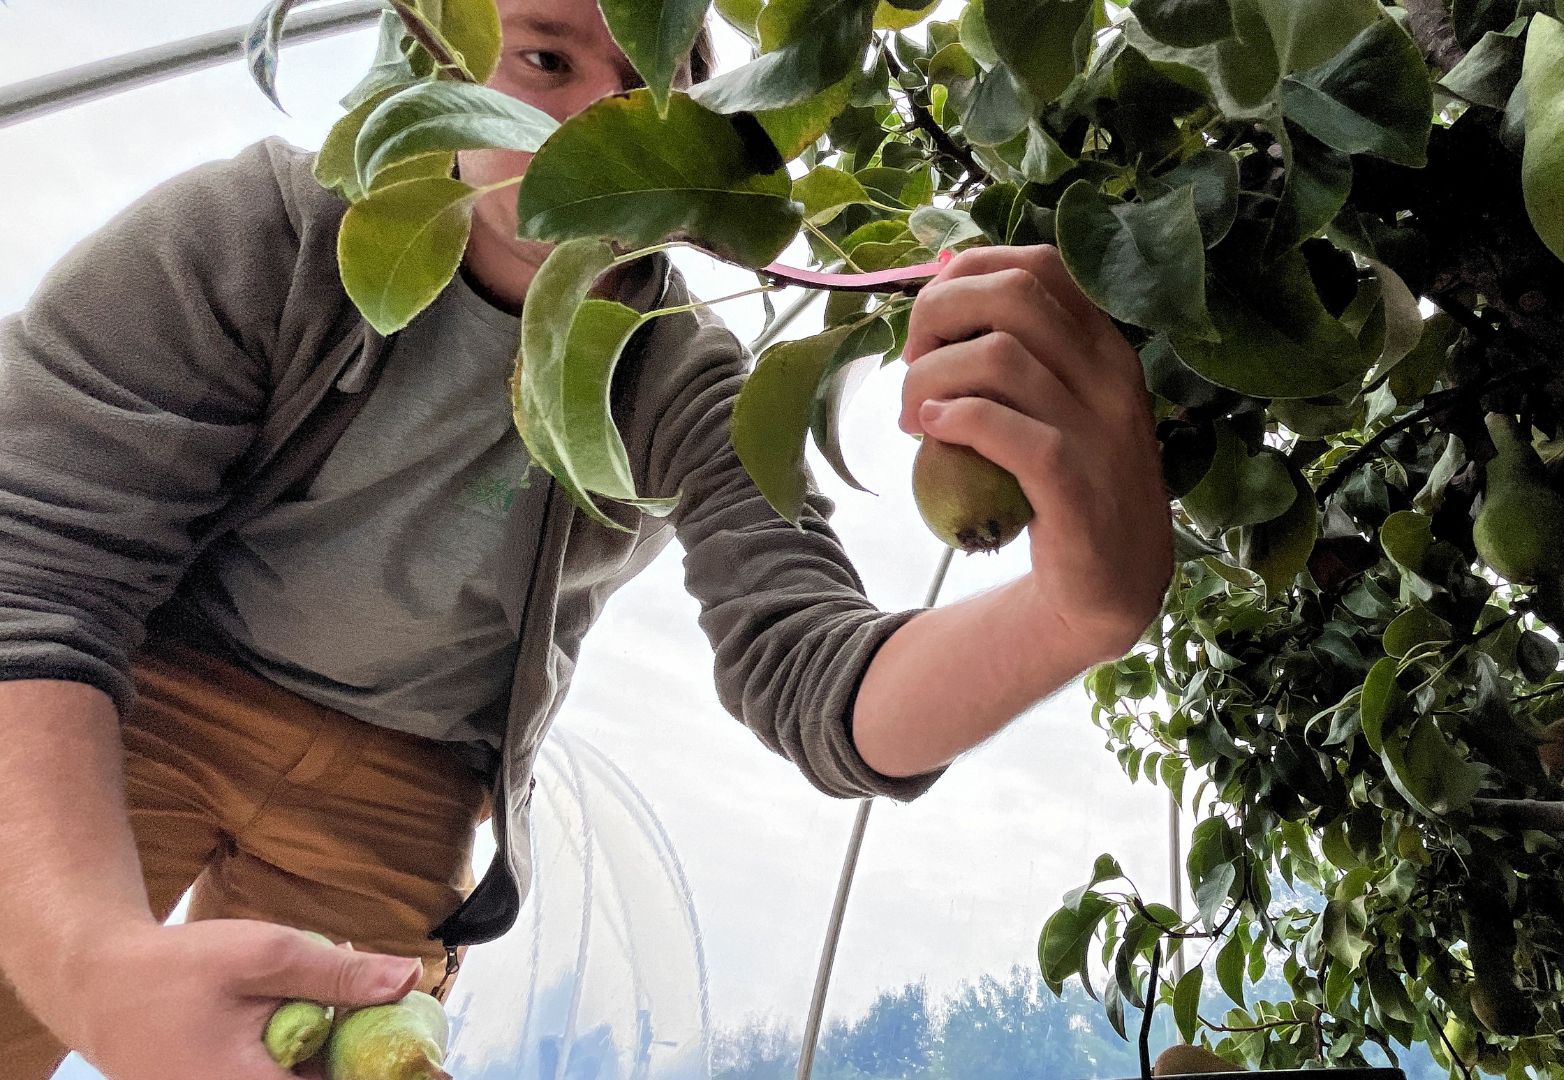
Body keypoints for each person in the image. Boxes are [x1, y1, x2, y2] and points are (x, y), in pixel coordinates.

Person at [0, 2, 1175, 1078]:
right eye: (545, 61)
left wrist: (1074, 613)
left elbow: (811, 666)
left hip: (403, 780)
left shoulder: (682, 379)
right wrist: (86, 962)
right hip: (141, 702)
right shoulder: (259, 235)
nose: (590, 139)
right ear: (437, 70)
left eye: (651, 109)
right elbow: (37, 568)